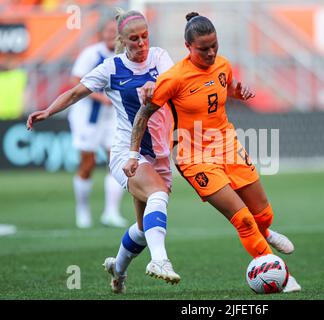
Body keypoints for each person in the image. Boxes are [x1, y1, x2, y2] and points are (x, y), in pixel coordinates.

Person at [124, 12, 301, 293]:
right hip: (194, 157)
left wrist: (237, 93)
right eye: (203, 49)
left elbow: (224, 88)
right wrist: (133, 154)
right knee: (242, 219)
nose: (210, 52)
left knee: (263, 214)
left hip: (228, 145)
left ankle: (265, 231)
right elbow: (144, 114)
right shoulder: (174, 78)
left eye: (214, 45)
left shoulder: (223, 65)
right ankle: (276, 271)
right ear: (188, 47)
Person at [27, 8, 180, 294]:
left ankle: (117, 270)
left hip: (159, 153)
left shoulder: (160, 57)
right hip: (127, 154)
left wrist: (157, 87)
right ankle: (160, 261)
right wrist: (48, 110)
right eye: (133, 39)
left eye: (145, 36)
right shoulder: (111, 68)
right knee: (158, 195)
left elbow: (176, 85)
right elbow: (75, 92)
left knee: (144, 228)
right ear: (122, 40)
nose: (141, 43)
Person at [68, 18, 128, 229]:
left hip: (112, 117)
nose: (111, 34)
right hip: (88, 117)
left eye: (115, 31)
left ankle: (111, 212)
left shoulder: (124, 57)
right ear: (102, 33)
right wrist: (100, 97)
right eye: (108, 30)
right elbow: (75, 81)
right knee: (88, 162)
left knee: (117, 160)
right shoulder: (91, 53)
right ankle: (82, 210)